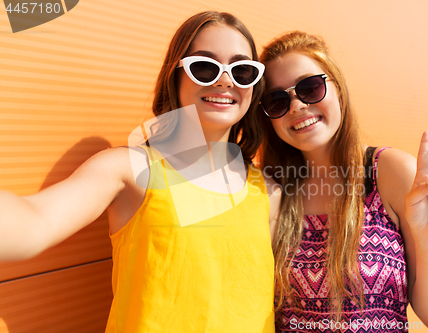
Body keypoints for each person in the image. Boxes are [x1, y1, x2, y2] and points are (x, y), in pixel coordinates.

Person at [0, 11, 280, 333]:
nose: (225, 81)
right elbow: (35, 219)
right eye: (204, 67)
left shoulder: (267, 191)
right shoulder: (130, 169)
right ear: (175, 77)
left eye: (242, 70)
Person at [258, 31, 428, 332]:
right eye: (277, 100)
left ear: (337, 88)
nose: (297, 106)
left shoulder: (389, 173)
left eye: (310, 87)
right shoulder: (272, 191)